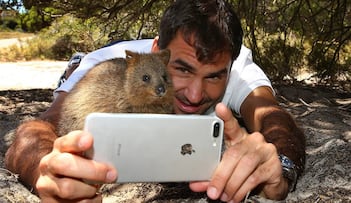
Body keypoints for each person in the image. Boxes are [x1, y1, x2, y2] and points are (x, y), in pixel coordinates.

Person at [5, 0, 305, 202]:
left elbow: (273, 118)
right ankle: (73, 64)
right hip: (103, 64)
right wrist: (43, 169)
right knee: (74, 80)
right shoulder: (109, 64)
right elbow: (37, 129)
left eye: (213, 77)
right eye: (182, 69)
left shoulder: (235, 67)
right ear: (157, 49)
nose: (195, 94)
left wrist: (280, 166)